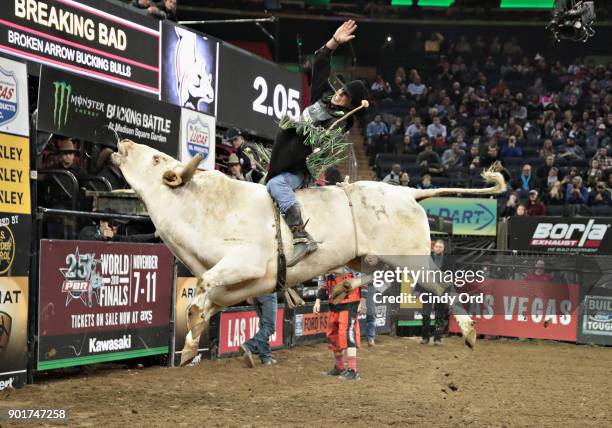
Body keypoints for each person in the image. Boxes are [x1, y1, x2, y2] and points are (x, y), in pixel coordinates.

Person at [265, 20, 368, 267]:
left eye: (344, 96)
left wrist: (300, 127)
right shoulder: (322, 98)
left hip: (297, 169)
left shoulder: (341, 123)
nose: (338, 94)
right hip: (281, 157)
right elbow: (320, 61)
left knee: (276, 184)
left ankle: (301, 236)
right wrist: (334, 42)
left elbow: (320, 142)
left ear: (350, 105)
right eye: (341, 90)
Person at [313, 270, 365, 381]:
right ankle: (339, 367)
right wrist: (317, 300)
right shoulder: (326, 268)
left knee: (348, 334)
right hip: (334, 305)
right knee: (333, 335)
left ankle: (353, 370)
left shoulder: (351, 263)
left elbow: (363, 280)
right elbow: (324, 285)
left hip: (350, 304)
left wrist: (362, 301)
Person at [418, 240, 448, 346]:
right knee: (425, 314)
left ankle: (437, 338)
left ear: (443, 248)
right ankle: (425, 337)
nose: (438, 248)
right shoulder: (427, 259)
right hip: (428, 290)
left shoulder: (448, 260)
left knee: (439, 315)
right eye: (437, 246)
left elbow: (451, 277)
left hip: (440, 291)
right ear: (433, 247)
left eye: (441, 247)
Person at [240, 293, 278, 367]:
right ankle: (249, 345)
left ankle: (266, 357)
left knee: (264, 326)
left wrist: (249, 294)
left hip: (256, 293)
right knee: (269, 326)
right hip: (268, 291)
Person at [78, 211, 158, 242]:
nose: (115, 228)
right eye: (113, 224)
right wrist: (103, 237)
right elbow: (91, 238)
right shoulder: (87, 231)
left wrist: (154, 235)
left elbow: (132, 239)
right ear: (102, 222)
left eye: (117, 225)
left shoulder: (113, 236)